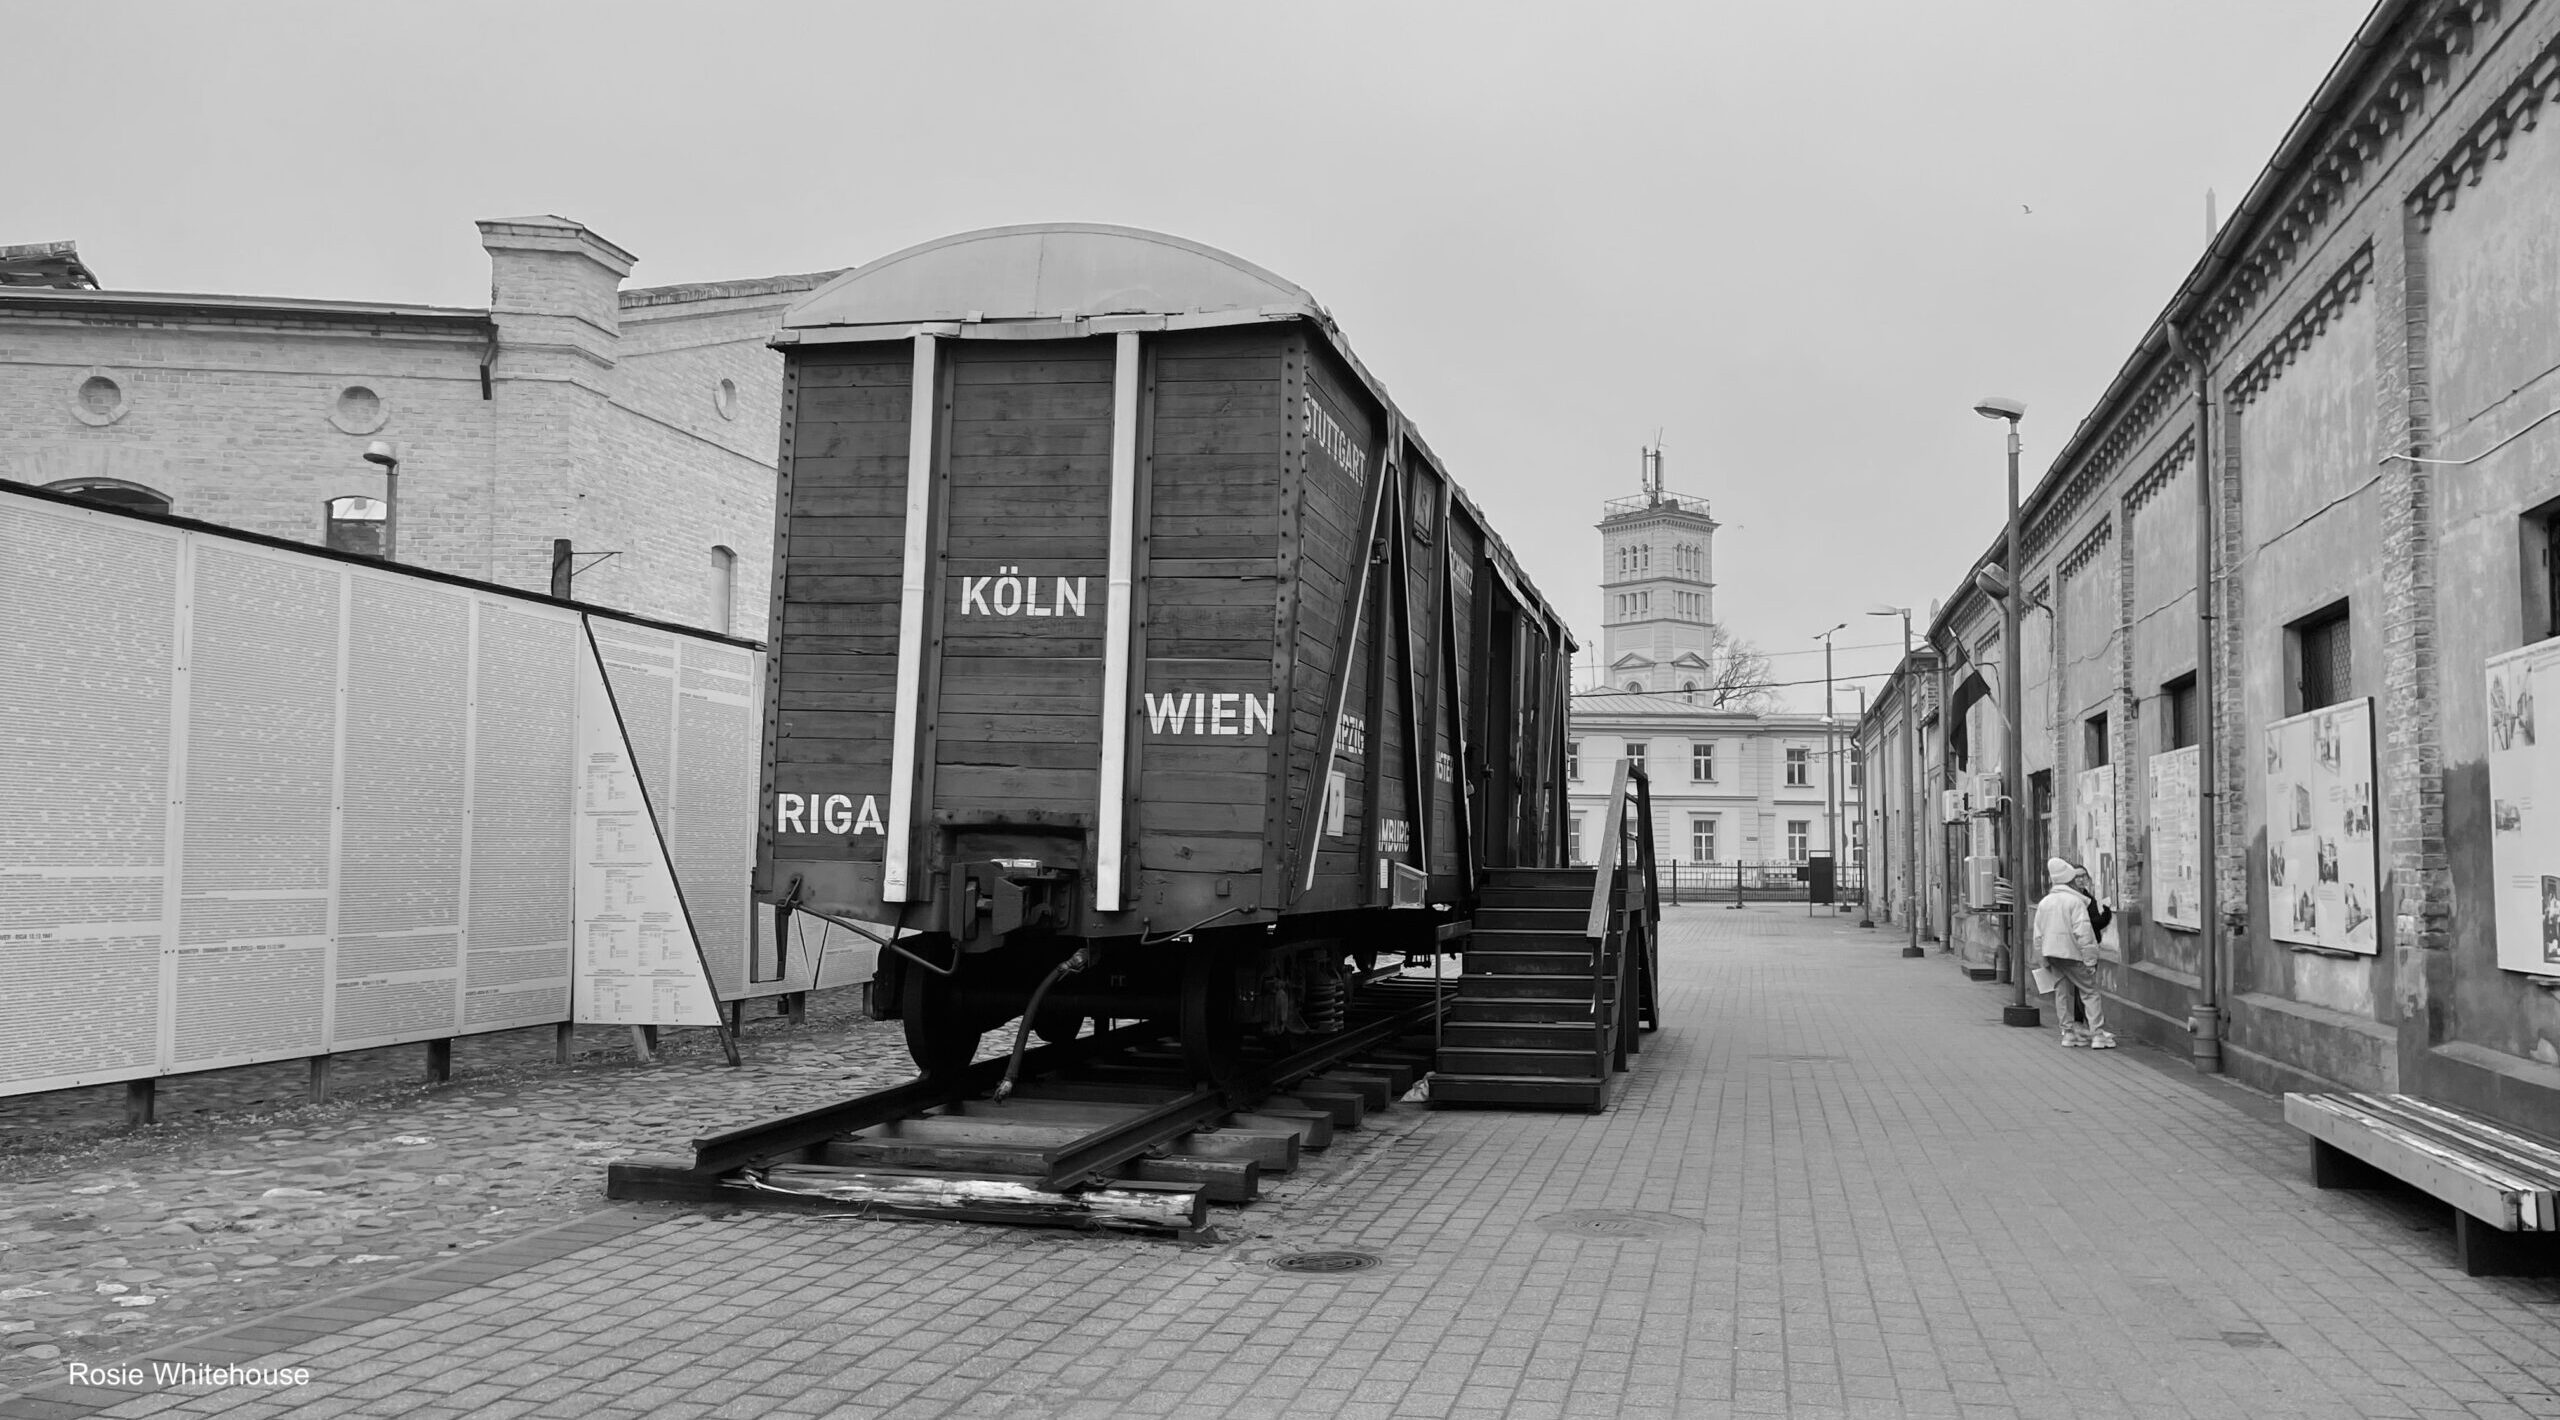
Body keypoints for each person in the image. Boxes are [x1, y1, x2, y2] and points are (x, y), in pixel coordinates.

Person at [2032, 856, 2114, 1049]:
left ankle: (2068, 1033)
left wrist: (2042, 960)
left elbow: (2038, 935)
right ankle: (2098, 1034)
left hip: (2052, 954)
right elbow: (2084, 933)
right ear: (2069, 879)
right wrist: (2091, 960)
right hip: (2073, 954)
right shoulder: (2075, 902)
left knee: (2060, 992)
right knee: (2089, 991)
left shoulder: (2045, 902)